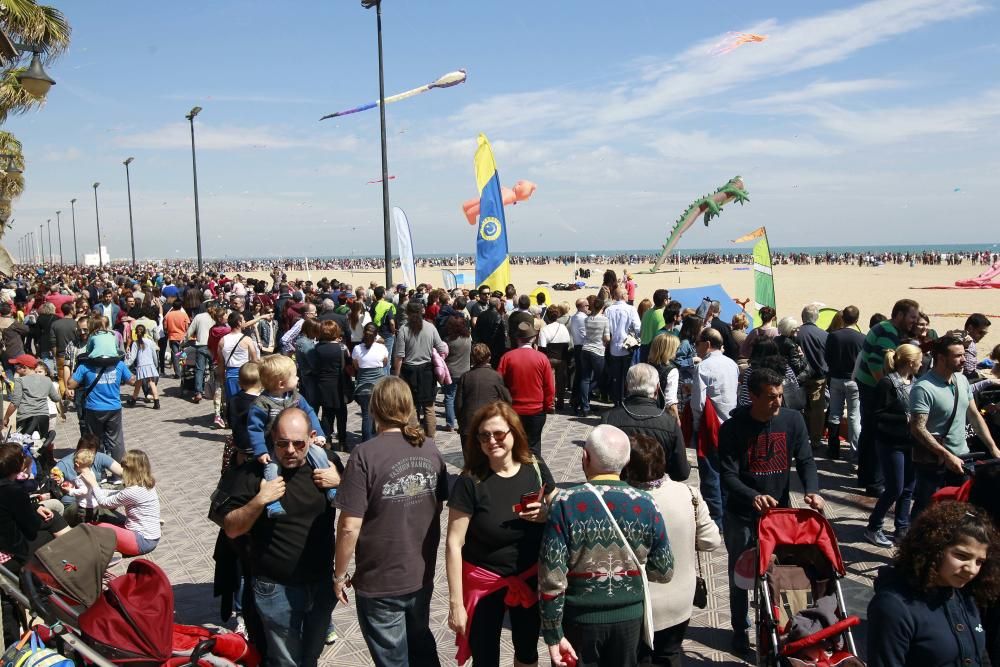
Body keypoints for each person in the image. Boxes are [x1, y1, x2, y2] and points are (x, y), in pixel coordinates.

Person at [333, 377, 448, 667]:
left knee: (394, 658)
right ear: (409, 407)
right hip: (420, 573)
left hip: (379, 579)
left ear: (374, 409)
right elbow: (439, 503)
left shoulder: (364, 454)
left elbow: (349, 526)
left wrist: (339, 574)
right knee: (420, 643)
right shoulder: (431, 449)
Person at [539, 424, 674, 667]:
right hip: (630, 622)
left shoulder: (565, 503)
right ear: (626, 460)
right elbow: (664, 570)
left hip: (579, 622)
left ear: (584, 457)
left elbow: (551, 577)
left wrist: (553, 633)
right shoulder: (646, 503)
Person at [219, 407, 342, 667]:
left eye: (298, 443)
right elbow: (231, 528)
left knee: (310, 655)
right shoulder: (252, 474)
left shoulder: (328, 463)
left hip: (320, 582)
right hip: (275, 587)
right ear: (271, 439)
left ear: (311, 437)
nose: (290, 450)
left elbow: (362, 506)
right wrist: (261, 500)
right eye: (282, 443)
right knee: (285, 661)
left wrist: (340, 482)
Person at [718, 367, 823, 656]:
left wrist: (812, 490)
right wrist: (753, 496)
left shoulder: (793, 420)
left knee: (779, 574)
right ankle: (740, 629)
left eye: (780, 395)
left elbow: (806, 461)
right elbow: (727, 475)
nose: (778, 402)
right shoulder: (732, 429)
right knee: (740, 575)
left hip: (779, 519)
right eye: (770, 397)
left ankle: (779, 626)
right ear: (752, 396)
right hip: (741, 515)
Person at [446, 401, 557, 667]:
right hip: (485, 583)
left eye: (498, 434)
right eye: (484, 436)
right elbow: (453, 543)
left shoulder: (535, 466)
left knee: (528, 652)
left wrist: (546, 513)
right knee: (485, 658)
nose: (491, 441)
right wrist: (455, 603)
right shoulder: (470, 481)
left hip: (528, 577)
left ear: (514, 433)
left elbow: (558, 507)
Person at [621, 434, 721, 667]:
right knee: (669, 655)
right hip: (680, 599)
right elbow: (711, 541)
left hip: (639, 604)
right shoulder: (689, 494)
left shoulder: (623, 501)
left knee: (639, 659)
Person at [867, 501, 998, 667]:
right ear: (933, 548)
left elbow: (980, 654)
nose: (971, 569)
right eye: (962, 556)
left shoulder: (964, 592)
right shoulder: (894, 607)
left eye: (979, 561)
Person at [910, 336, 1000, 518]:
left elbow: (974, 416)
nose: (964, 359)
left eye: (964, 354)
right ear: (942, 358)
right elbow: (918, 428)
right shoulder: (923, 388)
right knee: (925, 508)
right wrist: (946, 455)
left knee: (960, 509)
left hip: (962, 458)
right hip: (933, 462)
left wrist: (993, 448)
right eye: (958, 355)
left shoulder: (961, 380)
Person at [246, 354, 332, 518]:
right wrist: (261, 450)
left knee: (320, 454)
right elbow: (254, 429)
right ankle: (273, 503)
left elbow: (310, 414)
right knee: (271, 470)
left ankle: (330, 488)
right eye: (294, 375)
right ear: (281, 383)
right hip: (274, 447)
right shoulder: (261, 404)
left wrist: (319, 434)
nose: (297, 377)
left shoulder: (296, 397)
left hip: (300, 442)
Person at [856, 299, 921, 497]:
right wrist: (889, 389)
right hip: (871, 386)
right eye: (912, 317)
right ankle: (874, 483)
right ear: (899, 315)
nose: (914, 321)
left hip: (866, 383)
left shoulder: (885, 328)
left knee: (868, 432)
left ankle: (865, 476)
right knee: (876, 433)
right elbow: (877, 364)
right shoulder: (887, 332)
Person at [865, 343, 921, 548]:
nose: (922, 363)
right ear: (910, 362)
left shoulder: (915, 382)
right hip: (890, 443)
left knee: (908, 488)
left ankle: (901, 528)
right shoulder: (888, 384)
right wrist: (903, 419)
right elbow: (875, 415)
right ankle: (873, 526)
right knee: (894, 488)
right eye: (920, 360)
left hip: (910, 442)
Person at [602, 363, 689, 482]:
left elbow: (600, 464)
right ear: (657, 388)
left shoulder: (609, 419)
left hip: (620, 492)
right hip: (656, 493)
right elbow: (682, 472)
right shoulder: (669, 423)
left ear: (627, 386)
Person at [691, 328, 739, 529]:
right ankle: (728, 516)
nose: (696, 346)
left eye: (698, 342)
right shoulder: (732, 364)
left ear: (707, 344)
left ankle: (716, 521)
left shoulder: (703, 367)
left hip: (711, 427)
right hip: (731, 425)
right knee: (728, 473)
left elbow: (698, 403)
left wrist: (695, 424)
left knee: (711, 476)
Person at [79, 449, 161, 558]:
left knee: (96, 528)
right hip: (150, 537)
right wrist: (94, 490)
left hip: (142, 541)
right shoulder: (146, 483)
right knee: (107, 522)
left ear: (130, 470)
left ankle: (106, 557)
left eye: (124, 469)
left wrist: (93, 484)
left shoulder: (132, 491)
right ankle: (109, 549)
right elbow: (118, 493)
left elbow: (104, 503)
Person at [497, 321, 555, 458]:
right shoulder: (542, 358)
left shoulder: (507, 357)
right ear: (533, 338)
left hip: (513, 410)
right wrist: (548, 405)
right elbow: (549, 386)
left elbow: (499, 384)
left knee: (513, 447)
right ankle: (539, 477)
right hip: (536, 410)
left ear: (517, 338)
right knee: (533, 448)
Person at [393, 301, 448, 438]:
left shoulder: (403, 330)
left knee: (412, 406)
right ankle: (431, 439)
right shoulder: (430, 328)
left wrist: (396, 375)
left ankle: (414, 436)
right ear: (422, 311)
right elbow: (441, 347)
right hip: (427, 371)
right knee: (429, 407)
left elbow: (399, 356)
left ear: (407, 313)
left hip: (408, 371)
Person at [67, 353, 135, 462]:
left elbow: (70, 384)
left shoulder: (85, 366)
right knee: (116, 440)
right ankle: (118, 473)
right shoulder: (119, 364)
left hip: (93, 408)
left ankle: (99, 472)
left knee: (95, 440)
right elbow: (132, 381)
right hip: (114, 408)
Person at [825, 305, 865, 459]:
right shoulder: (862, 337)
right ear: (857, 319)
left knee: (834, 413)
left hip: (836, 377)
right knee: (855, 415)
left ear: (842, 318)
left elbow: (827, 357)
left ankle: (833, 449)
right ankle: (855, 452)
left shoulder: (834, 336)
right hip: (853, 380)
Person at [454, 343, 512, 443]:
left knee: (470, 457)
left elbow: (458, 404)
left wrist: (461, 422)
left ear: (472, 359)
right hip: (489, 424)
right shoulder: (495, 376)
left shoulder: (465, 377)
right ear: (489, 358)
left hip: (469, 425)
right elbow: (507, 400)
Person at [311, 320, 352, 450]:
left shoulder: (317, 348)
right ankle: (342, 442)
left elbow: (314, 367)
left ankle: (327, 441)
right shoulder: (342, 347)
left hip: (323, 384)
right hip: (340, 384)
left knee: (327, 415)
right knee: (342, 414)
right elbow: (349, 366)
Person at [4, 353, 61, 435]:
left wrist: (6, 418)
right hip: (43, 417)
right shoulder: (47, 380)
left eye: (16, 366)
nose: (15, 368)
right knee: (41, 444)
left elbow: (15, 403)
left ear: (24, 367)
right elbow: (56, 398)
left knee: (25, 444)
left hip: (25, 418)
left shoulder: (20, 381)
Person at [351, 322, 389, 443]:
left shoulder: (357, 349)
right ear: (376, 335)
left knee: (366, 416)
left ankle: (367, 442)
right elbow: (385, 363)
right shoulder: (382, 348)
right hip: (379, 387)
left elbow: (356, 366)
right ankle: (380, 440)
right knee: (380, 415)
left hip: (363, 387)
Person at [797, 304, 829, 445]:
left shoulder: (796, 333)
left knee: (798, 407)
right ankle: (815, 439)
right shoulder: (824, 335)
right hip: (818, 377)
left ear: (802, 317)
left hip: (798, 377)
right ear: (816, 318)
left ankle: (800, 437)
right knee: (816, 409)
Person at [604, 287, 641, 406]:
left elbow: (607, 329)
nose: (627, 295)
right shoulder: (630, 309)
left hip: (614, 347)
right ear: (622, 296)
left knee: (616, 377)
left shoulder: (609, 310)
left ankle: (617, 401)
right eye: (626, 293)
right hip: (627, 347)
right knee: (627, 376)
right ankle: (625, 400)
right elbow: (638, 327)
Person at [577, 297, 610, 417]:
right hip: (597, 351)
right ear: (602, 307)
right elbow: (606, 338)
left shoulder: (587, 319)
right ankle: (585, 396)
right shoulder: (604, 320)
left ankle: (585, 405)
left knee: (585, 378)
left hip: (585, 349)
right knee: (601, 377)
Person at [538, 308, 572, 412]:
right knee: (561, 381)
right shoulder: (563, 327)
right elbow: (568, 342)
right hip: (562, 357)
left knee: (551, 382)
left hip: (550, 357)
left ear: (547, 317)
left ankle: (551, 403)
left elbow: (542, 347)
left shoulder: (545, 329)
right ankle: (560, 402)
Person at [442, 316, 472, 432]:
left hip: (451, 372)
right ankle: (463, 422)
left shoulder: (448, 340)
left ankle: (450, 424)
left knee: (449, 397)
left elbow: (443, 355)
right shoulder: (468, 338)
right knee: (463, 398)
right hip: (465, 371)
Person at [126, 323, 161, 409]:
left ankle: (133, 401)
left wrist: (125, 364)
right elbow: (154, 354)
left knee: (138, 384)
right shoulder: (150, 342)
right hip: (150, 364)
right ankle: (157, 402)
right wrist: (156, 364)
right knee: (152, 383)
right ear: (145, 332)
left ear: (135, 333)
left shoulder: (135, 343)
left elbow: (132, 358)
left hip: (141, 366)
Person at [648, 333, 680, 422]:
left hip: (643, 410)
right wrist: (677, 421)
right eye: (676, 348)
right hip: (660, 414)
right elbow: (670, 402)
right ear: (670, 350)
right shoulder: (672, 370)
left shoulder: (646, 365)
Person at [638, 289, 669, 363]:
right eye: (669, 299)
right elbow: (660, 337)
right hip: (652, 349)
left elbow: (641, 331)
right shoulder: (661, 315)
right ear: (665, 301)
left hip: (643, 348)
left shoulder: (647, 312)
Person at [163, 300, 191, 379]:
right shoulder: (184, 315)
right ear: (180, 306)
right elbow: (187, 327)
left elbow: (165, 327)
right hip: (182, 337)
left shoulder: (168, 315)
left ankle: (177, 373)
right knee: (183, 354)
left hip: (172, 337)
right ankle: (183, 370)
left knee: (175, 355)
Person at [963, 313, 991, 380]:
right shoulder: (969, 345)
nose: (983, 336)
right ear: (970, 328)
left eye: (985, 333)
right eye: (981, 332)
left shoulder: (961, 337)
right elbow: (969, 374)